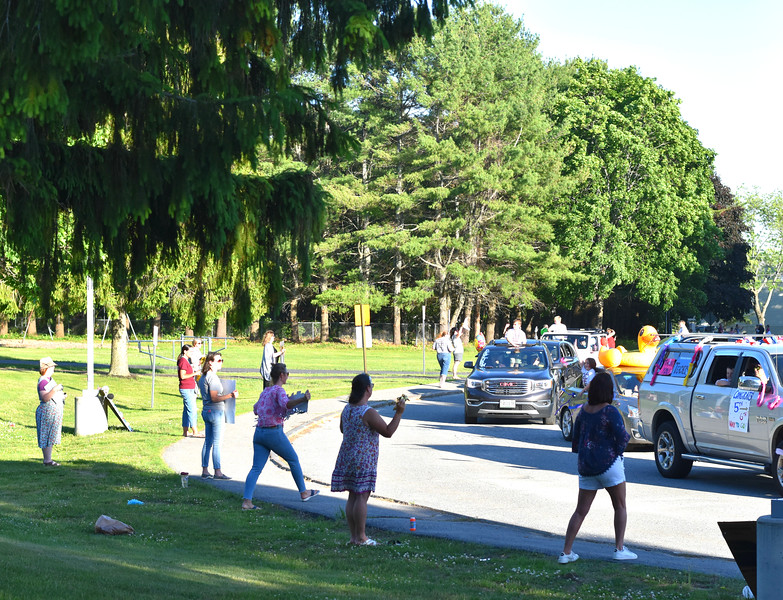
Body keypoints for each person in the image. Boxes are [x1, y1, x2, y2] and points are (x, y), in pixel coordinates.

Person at [559, 371, 635, 564]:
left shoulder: (584, 410)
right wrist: (617, 451)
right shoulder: (610, 411)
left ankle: (566, 552)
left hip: (586, 467)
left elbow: (575, 440)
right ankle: (619, 548)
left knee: (580, 511)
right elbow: (623, 437)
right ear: (608, 391)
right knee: (620, 506)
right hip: (609, 465)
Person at [331, 373, 406, 546]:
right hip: (363, 459)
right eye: (371, 385)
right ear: (367, 389)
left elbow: (343, 429)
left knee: (352, 496)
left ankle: (353, 537)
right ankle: (362, 537)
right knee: (362, 496)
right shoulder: (368, 412)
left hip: (347, 456)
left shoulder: (347, 409)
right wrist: (399, 413)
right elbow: (388, 431)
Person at [241, 363, 319, 509]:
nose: (287, 376)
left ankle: (247, 501)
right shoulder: (279, 390)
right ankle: (304, 492)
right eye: (287, 373)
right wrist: (303, 399)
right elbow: (287, 404)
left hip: (259, 433)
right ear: (282, 375)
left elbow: (255, 409)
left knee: (256, 468)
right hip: (273, 432)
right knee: (293, 459)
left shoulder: (265, 391)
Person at [199, 351, 238, 480]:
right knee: (217, 442)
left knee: (208, 442)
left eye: (222, 360)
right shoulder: (213, 377)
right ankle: (218, 471)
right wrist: (231, 395)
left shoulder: (203, 376)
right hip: (215, 412)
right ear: (210, 363)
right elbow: (215, 398)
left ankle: (205, 470)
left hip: (206, 411)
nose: (221, 362)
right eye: (218, 360)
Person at [36, 357, 65, 467]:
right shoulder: (43, 381)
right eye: (52, 366)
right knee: (46, 435)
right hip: (47, 411)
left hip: (52, 410)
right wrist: (55, 390)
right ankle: (47, 460)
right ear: (46, 368)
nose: (53, 368)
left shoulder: (48, 380)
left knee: (50, 436)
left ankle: (48, 459)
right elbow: (44, 398)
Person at [178, 344, 202, 438]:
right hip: (186, 388)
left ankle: (185, 431)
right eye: (190, 351)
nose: (192, 353)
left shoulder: (186, 361)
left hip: (189, 388)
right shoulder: (183, 361)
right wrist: (195, 373)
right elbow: (182, 376)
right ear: (185, 351)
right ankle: (195, 431)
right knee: (192, 409)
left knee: (186, 410)